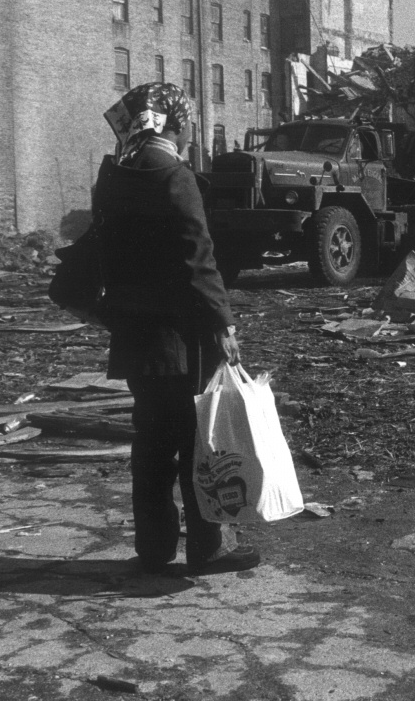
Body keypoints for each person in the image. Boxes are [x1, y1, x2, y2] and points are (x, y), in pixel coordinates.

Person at [95, 83, 259, 577]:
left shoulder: (114, 174)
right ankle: (208, 551)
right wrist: (224, 322)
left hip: (134, 333)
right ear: (174, 124)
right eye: (188, 124)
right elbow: (198, 259)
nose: (190, 134)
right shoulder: (175, 175)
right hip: (178, 337)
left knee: (150, 444)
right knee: (193, 442)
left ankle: (154, 549)